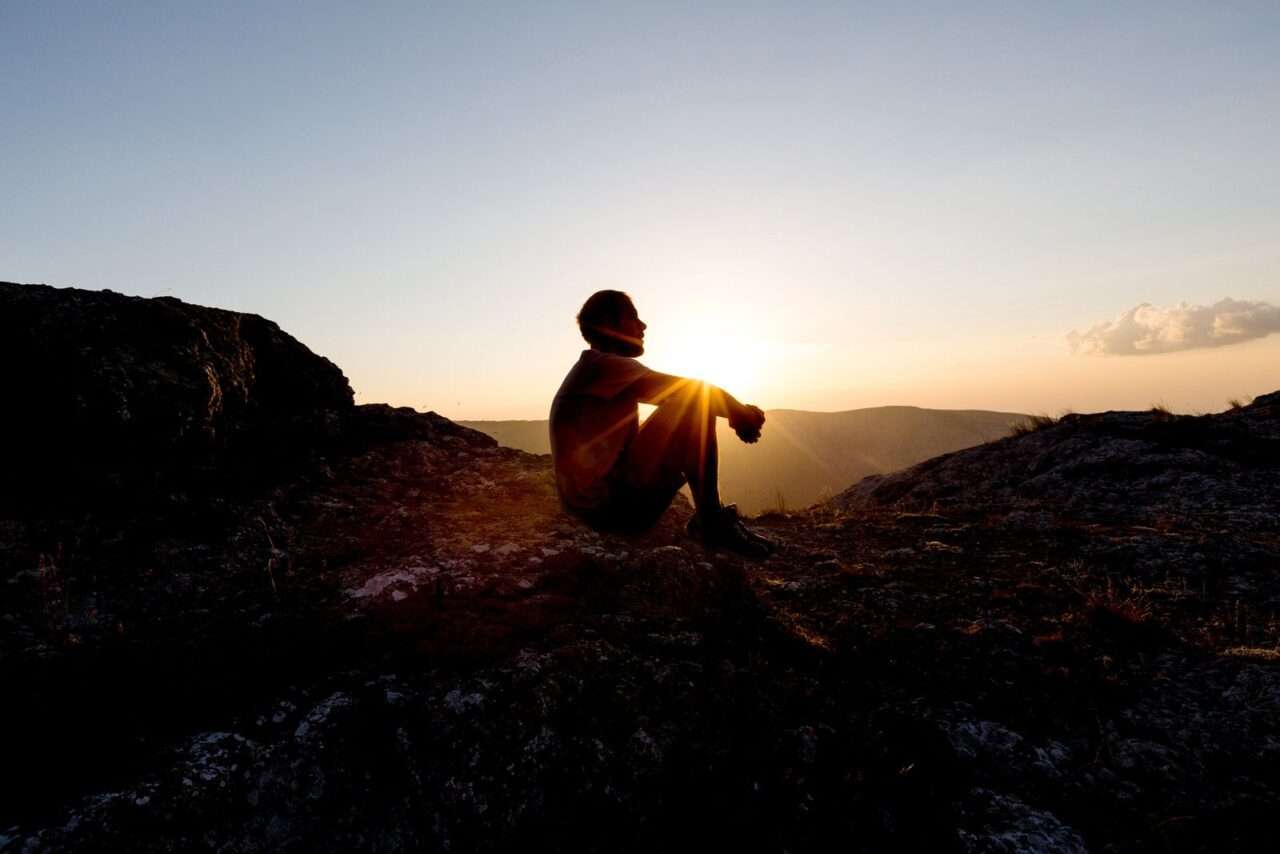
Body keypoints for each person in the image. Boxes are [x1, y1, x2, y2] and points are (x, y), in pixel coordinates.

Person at [549, 290, 776, 558]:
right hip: (607, 511)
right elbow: (694, 391)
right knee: (691, 405)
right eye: (633, 317)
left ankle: (711, 518)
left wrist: (739, 414)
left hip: (597, 507)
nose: (643, 326)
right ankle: (711, 521)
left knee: (686, 406)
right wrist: (742, 416)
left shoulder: (596, 369)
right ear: (610, 324)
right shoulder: (602, 364)